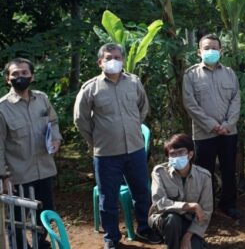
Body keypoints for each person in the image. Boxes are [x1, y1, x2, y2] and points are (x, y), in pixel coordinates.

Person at [74, 43, 161, 248]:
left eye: (117, 57)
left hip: (135, 149)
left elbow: (143, 107)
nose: (113, 61)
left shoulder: (133, 82)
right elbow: (80, 119)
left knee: (141, 192)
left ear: (122, 60)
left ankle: (144, 229)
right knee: (108, 197)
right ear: (100, 62)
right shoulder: (90, 88)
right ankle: (112, 237)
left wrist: (132, 126)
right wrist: (95, 140)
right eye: (108, 57)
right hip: (106, 153)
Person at [0, 58, 62, 249]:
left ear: (32, 76)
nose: (20, 77)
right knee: (16, 221)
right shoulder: (2, 108)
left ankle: (41, 245)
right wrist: (4, 177)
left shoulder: (42, 99)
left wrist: (56, 138)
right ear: (7, 79)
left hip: (44, 169)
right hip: (18, 175)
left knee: (44, 214)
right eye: (15, 74)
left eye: (24, 73)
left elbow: (52, 121)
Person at [182, 33, 241, 220]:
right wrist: (212, 125)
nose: (211, 51)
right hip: (203, 134)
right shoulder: (191, 75)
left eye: (214, 48)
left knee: (229, 170)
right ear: (199, 52)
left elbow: (236, 100)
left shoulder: (230, 73)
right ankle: (206, 207)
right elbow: (190, 104)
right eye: (207, 48)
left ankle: (228, 205)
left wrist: (227, 124)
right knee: (203, 172)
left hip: (228, 132)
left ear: (221, 51)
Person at [149, 134, 213, 249]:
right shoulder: (159, 172)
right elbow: (159, 202)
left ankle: (190, 239)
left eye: (181, 152)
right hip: (163, 219)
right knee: (173, 220)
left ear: (190, 154)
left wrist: (188, 236)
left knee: (194, 246)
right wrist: (189, 206)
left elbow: (206, 211)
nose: (176, 156)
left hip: (190, 222)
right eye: (172, 154)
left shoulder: (204, 176)